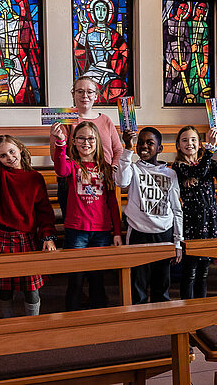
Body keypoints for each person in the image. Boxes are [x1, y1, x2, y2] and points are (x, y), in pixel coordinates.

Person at [0, 104, 56, 317]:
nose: (9, 157)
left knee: (32, 289)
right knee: (5, 289)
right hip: (1, 237)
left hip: (26, 238)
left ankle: (33, 324)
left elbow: (44, 211)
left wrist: (48, 236)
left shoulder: (34, 178)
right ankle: (6, 324)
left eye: (11, 151)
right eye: (2, 155)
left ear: (20, 148)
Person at [51, 121, 121, 310]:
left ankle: (97, 318)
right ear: (74, 141)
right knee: (76, 278)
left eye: (91, 138)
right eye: (81, 138)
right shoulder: (72, 165)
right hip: (77, 230)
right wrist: (60, 144)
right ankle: (72, 317)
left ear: (97, 141)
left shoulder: (105, 167)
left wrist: (117, 232)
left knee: (98, 278)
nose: (86, 142)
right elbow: (60, 168)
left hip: (101, 231)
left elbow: (112, 203)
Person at [116, 127, 183, 303]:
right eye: (141, 143)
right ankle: (140, 326)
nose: (144, 146)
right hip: (138, 233)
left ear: (160, 148)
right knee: (138, 285)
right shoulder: (132, 168)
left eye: (150, 143)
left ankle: (160, 324)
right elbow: (121, 181)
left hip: (163, 234)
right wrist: (128, 149)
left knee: (161, 286)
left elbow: (176, 210)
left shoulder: (170, 174)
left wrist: (178, 241)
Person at [49, 76, 123, 218]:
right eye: (80, 91)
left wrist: (113, 167)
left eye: (89, 92)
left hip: (102, 180)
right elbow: (57, 155)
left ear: (96, 95)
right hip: (74, 183)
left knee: (102, 223)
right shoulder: (65, 118)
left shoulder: (105, 120)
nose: (85, 96)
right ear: (73, 94)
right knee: (75, 227)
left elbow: (118, 149)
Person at [173, 125, 217, 299]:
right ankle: (187, 310)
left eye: (193, 140)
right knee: (190, 270)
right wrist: (210, 150)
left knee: (204, 271)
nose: (189, 143)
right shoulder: (178, 166)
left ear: (199, 144)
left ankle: (201, 308)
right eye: (184, 140)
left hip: (209, 220)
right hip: (192, 222)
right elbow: (198, 172)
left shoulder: (206, 161)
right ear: (178, 145)